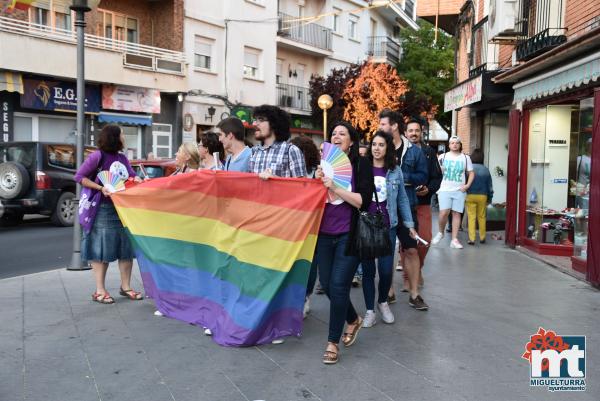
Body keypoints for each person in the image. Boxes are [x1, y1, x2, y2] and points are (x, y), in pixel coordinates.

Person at [315, 121, 374, 364]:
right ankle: (353, 319)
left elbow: (363, 202)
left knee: (339, 286)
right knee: (328, 285)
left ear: (351, 140)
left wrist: (335, 186)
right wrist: (315, 181)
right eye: (334, 133)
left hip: (349, 236)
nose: (337, 136)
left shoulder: (361, 165)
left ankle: (332, 342)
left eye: (343, 133)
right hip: (324, 234)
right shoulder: (323, 166)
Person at [74, 124, 143, 304]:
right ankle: (99, 290)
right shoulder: (97, 156)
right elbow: (80, 177)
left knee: (126, 248)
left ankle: (126, 287)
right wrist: (100, 187)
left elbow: (130, 176)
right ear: (114, 137)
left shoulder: (122, 158)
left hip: (122, 208)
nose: (124, 138)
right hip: (102, 208)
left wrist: (135, 179)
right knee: (100, 248)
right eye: (121, 134)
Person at [361, 131, 416, 327]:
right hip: (366, 226)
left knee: (385, 271)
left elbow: (402, 199)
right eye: (374, 144)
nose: (376, 148)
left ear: (387, 148)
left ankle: (382, 301)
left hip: (388, 226)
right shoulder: (362, 167)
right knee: (368, 271)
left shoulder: (395, 171)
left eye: (381, 145)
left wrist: (409, 225)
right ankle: (369, 311)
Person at [379, 110, 429, 311]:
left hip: (407, 206)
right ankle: (388, 291)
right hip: (384, 210)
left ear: (394, 126)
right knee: (387, 252)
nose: (380, 128)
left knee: (411, 249)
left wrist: (401, 176)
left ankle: (415, 294)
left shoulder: (415, 152)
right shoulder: (380, 148)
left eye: (383, 124)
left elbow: (423, 175)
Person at [404, 119, 442, 289]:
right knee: (407, 243)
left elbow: (437, 177)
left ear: (421, 132)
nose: (413, 133)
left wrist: (428, 189)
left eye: (416, 130)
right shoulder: (400, 152)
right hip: (404, 204)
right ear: (405, 133)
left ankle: (417, 269)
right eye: (410, 130)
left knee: (425, 239)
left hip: (423, 203)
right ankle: (408, 278)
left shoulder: (429, 152)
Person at [290, 135, 321, 318]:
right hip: (295, 225)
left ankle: (305, 296)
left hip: (314, 226)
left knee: (311, 265)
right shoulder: (291, 171)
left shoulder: (317, 172)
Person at [431, 136, 475, 249]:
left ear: (460, 145)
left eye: (457, 143)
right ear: (449, 145)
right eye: (452, 143)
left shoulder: (465, 158)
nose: (454, 145)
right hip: (445, 189)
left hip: (459, 190)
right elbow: (436, 172)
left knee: (456, 213)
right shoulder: (443, 156)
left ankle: (454, 239)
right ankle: (441, 232)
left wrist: (467, 186)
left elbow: (471, 173)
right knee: (444, 213)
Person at [249, 105, 306, 179]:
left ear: (274, 124)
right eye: (255, 120)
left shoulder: (290, 151)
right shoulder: (254, 151)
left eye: (261, 120)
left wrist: (275, 179)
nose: (254, 124)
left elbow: (302, 185)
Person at [465, 149, 493, 245]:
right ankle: (482, 237)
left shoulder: (469, 169)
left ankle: (472, 239)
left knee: (471, 217)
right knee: (482, 217)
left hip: (470, 195)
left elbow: (464, 182)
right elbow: (490, 186)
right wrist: (490, 198)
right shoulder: (486, 170)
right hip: (482, 196)